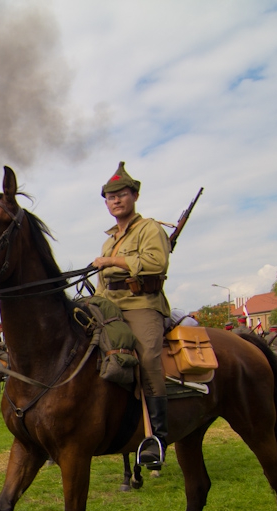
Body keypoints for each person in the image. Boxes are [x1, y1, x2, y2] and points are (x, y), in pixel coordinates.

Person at [91, 162, 170, 470]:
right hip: (111, 305)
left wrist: (112, 260)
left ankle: (158, 439)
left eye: (122, 194)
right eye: (110, 197)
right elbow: (101, 284)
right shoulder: (109, 239)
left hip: (141, 304)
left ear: (135, 195)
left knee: (148, 358)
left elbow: (156, 262)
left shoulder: (149, 228)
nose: (116, 201)